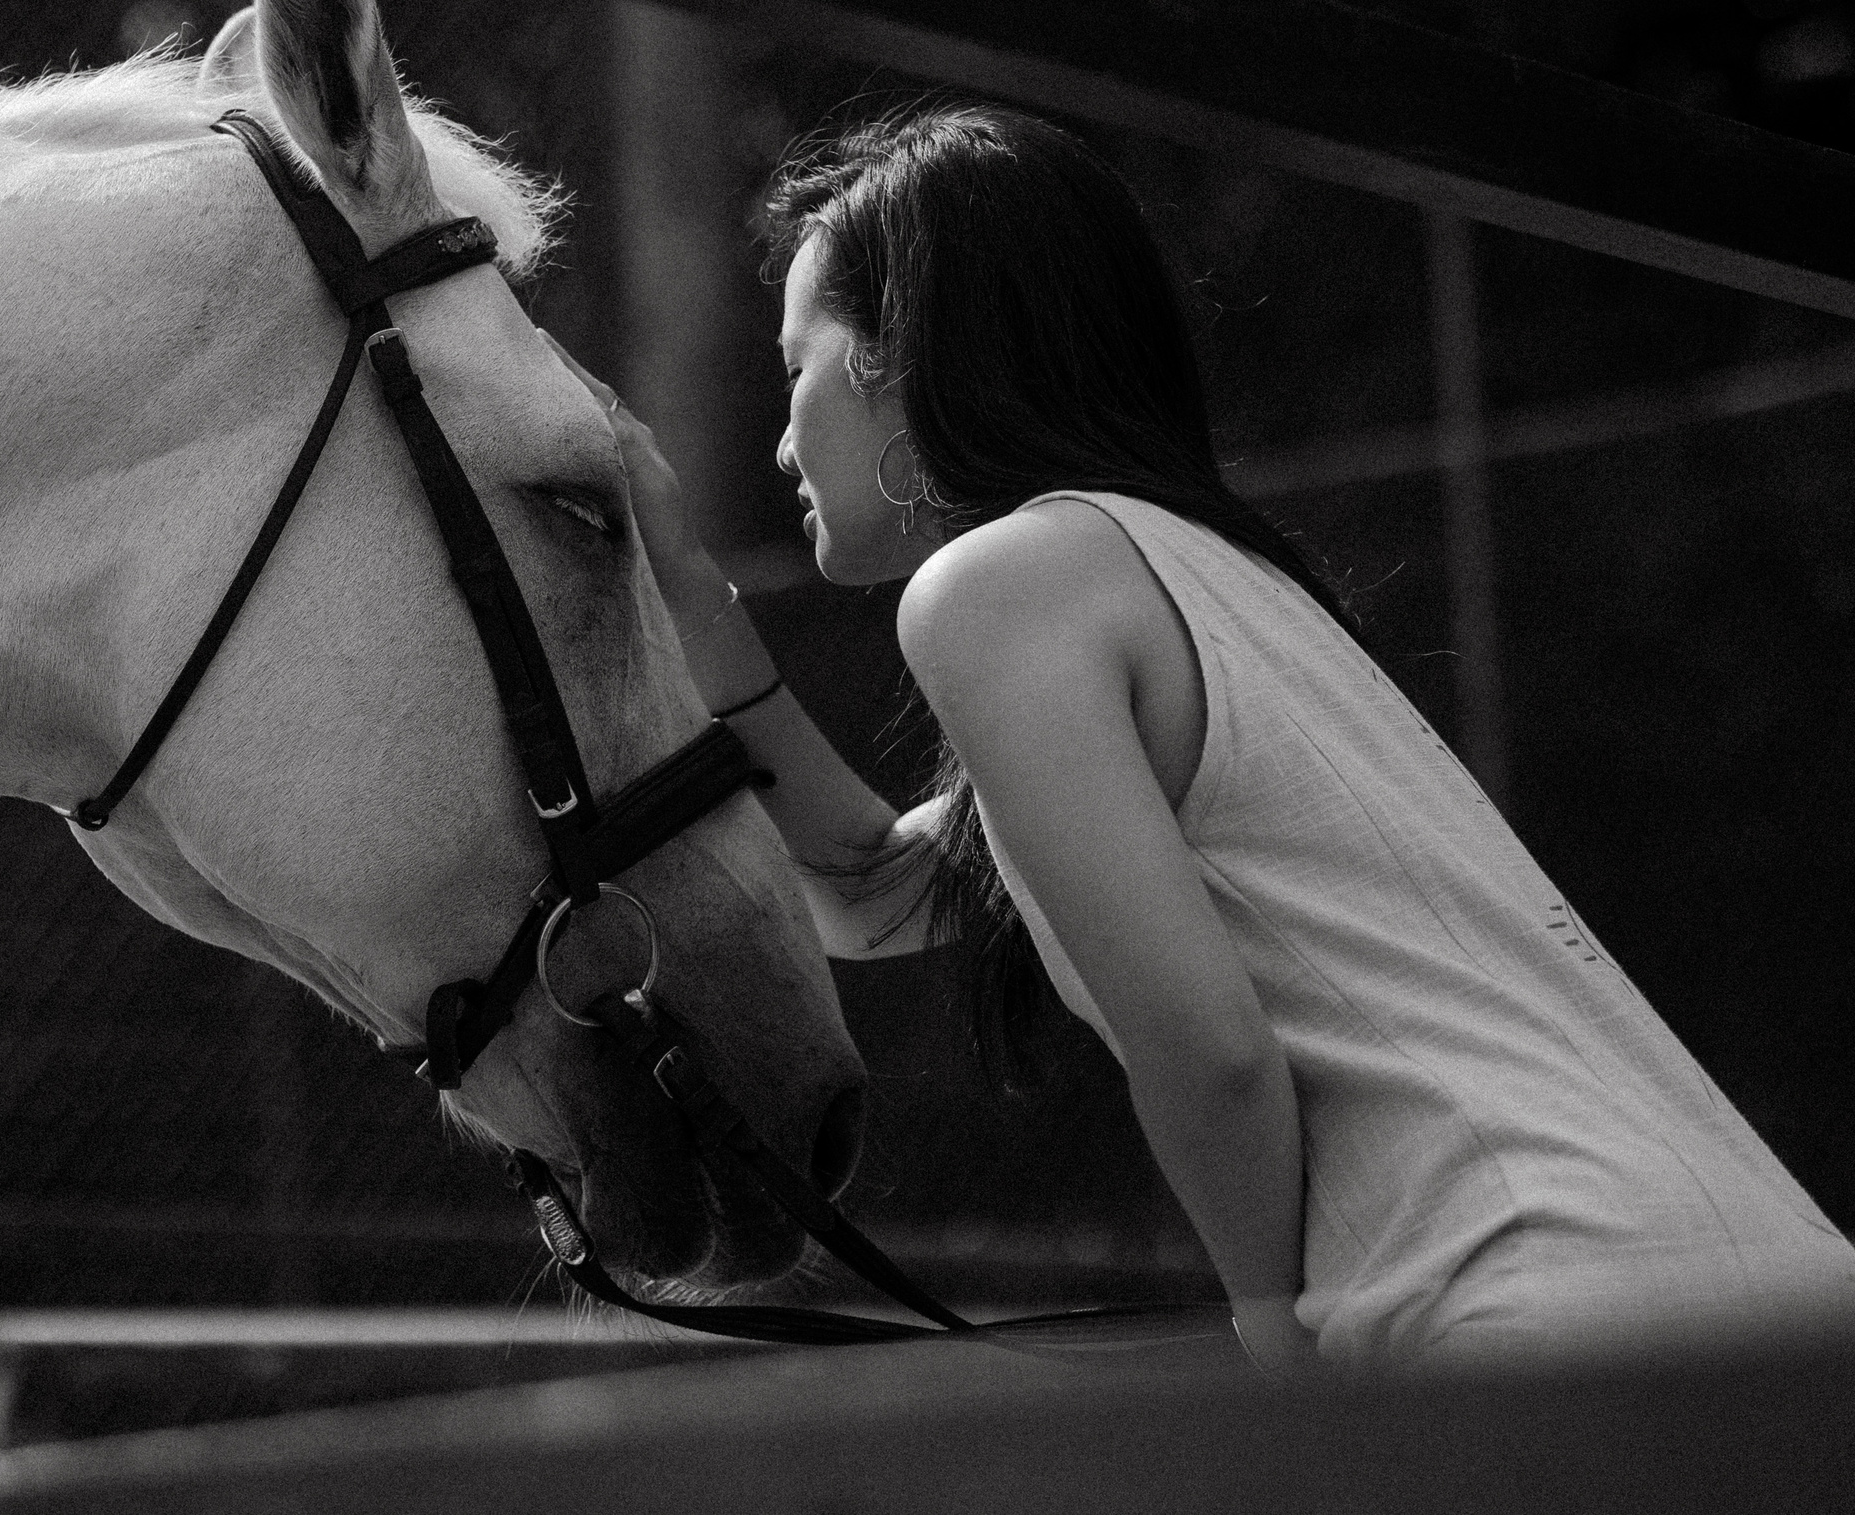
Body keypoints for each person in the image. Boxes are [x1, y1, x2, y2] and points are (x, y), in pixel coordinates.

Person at [548, 102, 1855, 1371]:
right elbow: (869, 888)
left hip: (1540, 1307)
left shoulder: (1001, 587)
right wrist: (689, 594)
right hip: (1765, 1296)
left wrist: (1272, 1331)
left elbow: (1208, 1051)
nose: (780, 437)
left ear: (906, 353)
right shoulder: (1207, 576)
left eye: (797, 367)